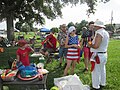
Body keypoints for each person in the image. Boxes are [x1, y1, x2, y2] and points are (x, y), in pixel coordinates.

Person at [88, 20, 109, 89]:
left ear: (98, 26)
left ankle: (96, 86)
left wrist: (90, 44)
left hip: (98, 55)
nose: (94, 27)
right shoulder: (105, 32)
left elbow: (96, 46)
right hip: (103, 53)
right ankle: (102, 83)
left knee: (96, 70)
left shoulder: (99, 33)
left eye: (95, 26)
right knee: (102, 69)